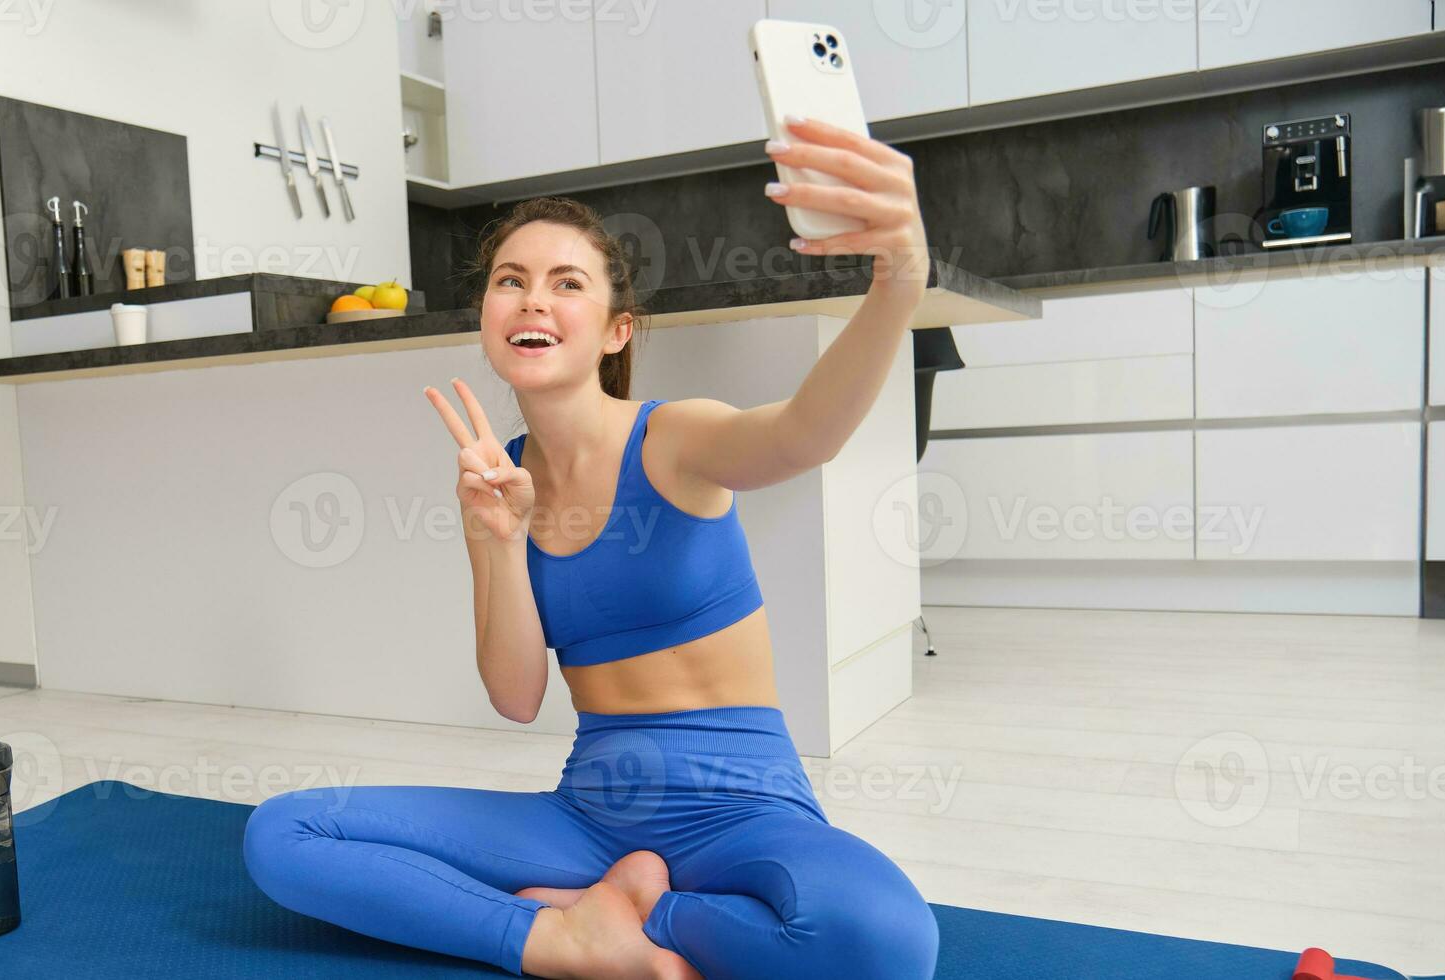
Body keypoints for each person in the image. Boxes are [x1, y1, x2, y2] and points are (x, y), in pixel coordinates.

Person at [244, 116, 937, 980]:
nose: (534, 298)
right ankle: (562, 944)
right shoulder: (500, 484)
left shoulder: (675, 441)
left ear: (616, 330)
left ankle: (637, 909)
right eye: (511, 280)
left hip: (743, 814)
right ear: (491, 318)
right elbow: (516, 698)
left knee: (887, 941)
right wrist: (498, 541)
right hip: (589, 819)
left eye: (566, 282)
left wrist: (897, 286)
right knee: (283, 833)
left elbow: (804, 436)